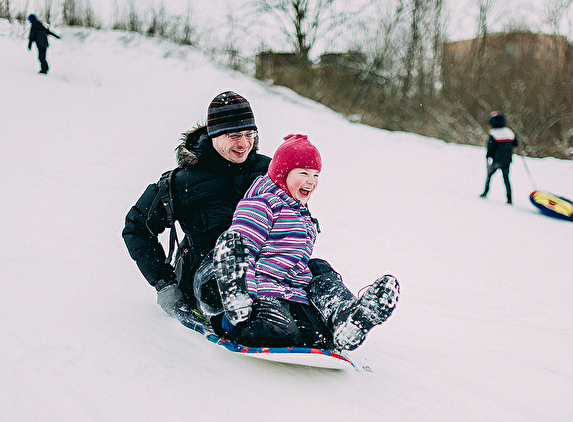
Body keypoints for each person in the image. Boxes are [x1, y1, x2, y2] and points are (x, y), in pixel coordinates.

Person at [211, 134, 400, 351]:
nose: (311, 181)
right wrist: (247, 295)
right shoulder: (262, 204)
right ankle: (234, 310)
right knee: (278, 333)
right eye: (303, 173)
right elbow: (244, 248)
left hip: (294, 292)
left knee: (323, 336)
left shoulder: (301, 214)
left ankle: (345, 317)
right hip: (261, 291)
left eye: (315, 175)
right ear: (282, 174)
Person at [123, 91, 271, 321]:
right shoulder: (183, 182)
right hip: (210, 276)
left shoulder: (270, 171)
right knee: (232, 272)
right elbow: (136, 226)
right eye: (234, 135)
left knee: (316, 271)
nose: (244, 143)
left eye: (249, 134)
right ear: (214, 135)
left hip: (268, 268)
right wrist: (164, 283)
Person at [481, 112, 518, 203]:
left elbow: (490, 146)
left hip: (497, 160)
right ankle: (509, 198)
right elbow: (515, 144)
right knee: (506, 178)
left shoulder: (493, 133)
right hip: (507, 160)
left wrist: (488, 155)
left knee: (489, 175)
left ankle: (485, 192)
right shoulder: (509, 132)